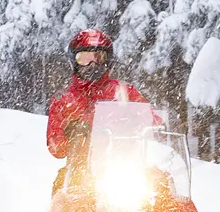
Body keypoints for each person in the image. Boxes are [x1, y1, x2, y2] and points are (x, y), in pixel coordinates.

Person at [46, 29, 155, 195]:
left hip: (124, 166)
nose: (92, 65)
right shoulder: (64, 100)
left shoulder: (123, 92)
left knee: (161, 185)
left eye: (98, 58)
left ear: (107, 60)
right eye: (84, 59)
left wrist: (148, 124)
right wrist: (71, 133)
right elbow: (56, 148)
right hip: (80, 170)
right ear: (74, 62)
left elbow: (152, 118)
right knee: (64, 194)